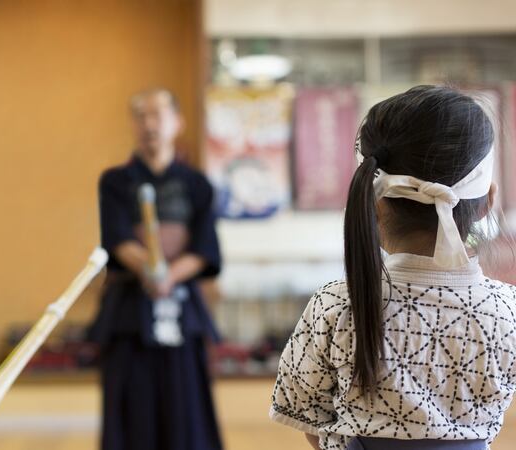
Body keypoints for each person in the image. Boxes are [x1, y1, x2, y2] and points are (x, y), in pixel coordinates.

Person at [270, 85, 516, 450]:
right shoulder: (507, 311)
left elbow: (307, 417)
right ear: (487, 201)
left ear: (372, 203)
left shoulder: (336, 305)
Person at [88, 89, 223, 450]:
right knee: (131, 414)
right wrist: (150, 270)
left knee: (186, 411)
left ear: (177, 123)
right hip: (130, 311)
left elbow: (205, 249)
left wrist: (169, 275)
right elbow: (116, 239)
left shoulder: (197, 184)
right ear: (133, 124)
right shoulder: (115, 181)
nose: (149, 124)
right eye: (141, 116)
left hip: (182, 310)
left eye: (158, 115)